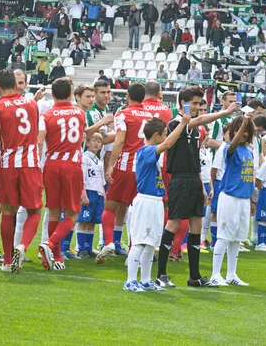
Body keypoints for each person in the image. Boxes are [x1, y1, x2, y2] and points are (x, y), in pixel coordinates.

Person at [155, 87, 239, 289]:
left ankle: (194, 276)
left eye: (199, 104)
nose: (197, 107)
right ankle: (161, 274)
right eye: (193, 103)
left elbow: (196, 160)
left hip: (193, 179)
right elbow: (199, 120)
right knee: (173, 224)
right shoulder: (177, 123)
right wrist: (225, 112)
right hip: (179, 180)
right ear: (182, 103)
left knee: (196, 225)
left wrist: (201, 185)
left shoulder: (196, 129)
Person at [0, 69, 43, 273]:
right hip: (30, 163)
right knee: (34, 210)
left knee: (7, 211)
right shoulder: (32, 104)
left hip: (8, 164)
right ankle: (23, 246)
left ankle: (7, 261)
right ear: (16, 85)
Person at [124, 114, 190, 293]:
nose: (165, 137)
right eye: (163, 134)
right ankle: (130, 280)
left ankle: (145, 280)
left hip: (155, 202)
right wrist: (183, 124)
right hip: (145, 201)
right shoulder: (145, 151)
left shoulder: (150, 153)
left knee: (151, 243)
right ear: (156, 135)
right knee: (139, 242)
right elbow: (168, 144)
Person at [98, 83, 152, 262]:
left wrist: (111, 164)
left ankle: (109, 243)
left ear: (128, 96)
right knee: (134, 210)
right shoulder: (150, 115)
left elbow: (120, 140)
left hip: (125, 166)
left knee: (110, 205)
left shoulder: (123, 114)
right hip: (144, 168)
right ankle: (132, 249)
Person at [37, 78, 86, 271]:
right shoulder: (80, 114)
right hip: (71, 165)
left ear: (53, 95)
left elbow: (40, 140)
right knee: (73, 213)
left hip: (51, 164)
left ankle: (56, 258)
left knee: (54, 212)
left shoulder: (47, 115)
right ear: (70, 94)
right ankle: (49, 245)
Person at [210, 114, 255, 287]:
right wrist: (244, 123)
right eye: (239, 130)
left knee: (237, 238)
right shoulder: (229, 148)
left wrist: (251, 199)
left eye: (246, 131)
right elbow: (233, 146)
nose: (243, 134)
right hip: (229, 197)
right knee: (224, 237)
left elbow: (249, 176)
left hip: (244, 199)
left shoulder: (250, 152)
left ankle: (231, 274)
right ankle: (215, 274)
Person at [76, 132, 106, 258]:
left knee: (93, 221)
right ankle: (81, 248)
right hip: (88, 191)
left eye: (99, 141)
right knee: (84, 220)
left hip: (97, 193)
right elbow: (82, 177)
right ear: (87, 143)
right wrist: (84, 194)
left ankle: (89, 248)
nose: (96, 143)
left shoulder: (99, 162)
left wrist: (103, 194)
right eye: (93, 140)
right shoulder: (84, 158)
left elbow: (101, 180)